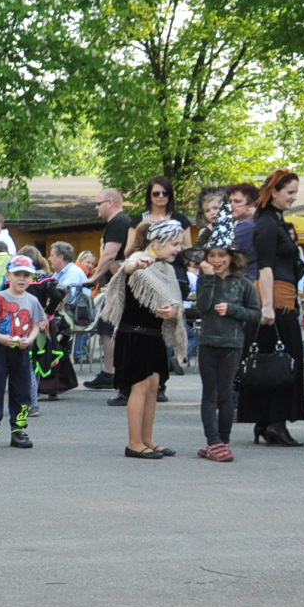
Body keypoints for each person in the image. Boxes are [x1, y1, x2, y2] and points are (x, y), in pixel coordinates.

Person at [105, 219, 187, 459]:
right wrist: (134, 263)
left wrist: (173, 312)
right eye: (174, 243)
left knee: (153, 388)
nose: (178, 248)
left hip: (154, 335)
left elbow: (175, 302)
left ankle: (147, 439)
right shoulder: (140, 260)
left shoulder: (166, 268)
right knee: (139, 388)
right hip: (135, 334)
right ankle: (134, 443)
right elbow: (126, 267)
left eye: (180, 244)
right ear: (157, 241)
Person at [241, 169, 304, 446]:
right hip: (276, 300)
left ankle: (267, 422)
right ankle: (274, 424)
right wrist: (267, 307)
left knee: (271, 360)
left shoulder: (274, 221)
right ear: (275, 192)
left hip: (281, 297)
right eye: (290, 192)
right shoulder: (267, 224)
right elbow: (265, 267)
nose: (294, 197)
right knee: (283, 362)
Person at [192, 242, 260, 461]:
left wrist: (233, 310)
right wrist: (209, 278)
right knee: (209, 393)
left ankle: (224, 440)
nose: (216, 260)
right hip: (208, 342)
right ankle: (212, 441)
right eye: (211, 255)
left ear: (232, 258)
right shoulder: (205, 279)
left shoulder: (244, 284)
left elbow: (255, 314)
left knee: (226, 394)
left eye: (221, 255)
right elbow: (202, 306)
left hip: (232, 343)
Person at [83, 188, 136, 389]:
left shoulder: (118, 222)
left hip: (121, 284)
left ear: (111, 202)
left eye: (99, 203)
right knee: (108, 327)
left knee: (110, 327)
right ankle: (110, 372)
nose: (97, 207)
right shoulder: (123, 222)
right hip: (120, 283)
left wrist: (94, 278)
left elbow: (109, 255)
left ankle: (114, 372)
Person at [0, 257, 45, 449]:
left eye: (26, 275)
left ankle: (18, 429)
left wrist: (29, 340)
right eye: (17, 274)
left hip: (21, 350)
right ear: (8, 276)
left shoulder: (32, 300)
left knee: (21, 390)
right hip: (0, 349)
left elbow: (38, 324)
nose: (22, 279)